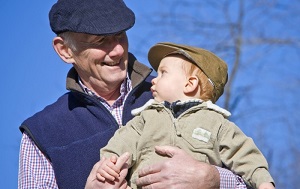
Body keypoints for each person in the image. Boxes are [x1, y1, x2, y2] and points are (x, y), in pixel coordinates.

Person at [18, 0, 248, 188]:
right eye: (101, 40)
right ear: (65, 50)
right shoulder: (42, 133)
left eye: (120, 35)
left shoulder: (177, 94)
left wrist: (213, 179)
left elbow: (252, 177)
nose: (118, 50)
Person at [97, 42, 275, 189]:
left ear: (190, 84)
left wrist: (263, 182)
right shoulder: (146, 117)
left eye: (163, 73)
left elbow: (244, 154)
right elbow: (122, 142)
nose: (153, 79)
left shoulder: (217, 123)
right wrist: (108, 163)